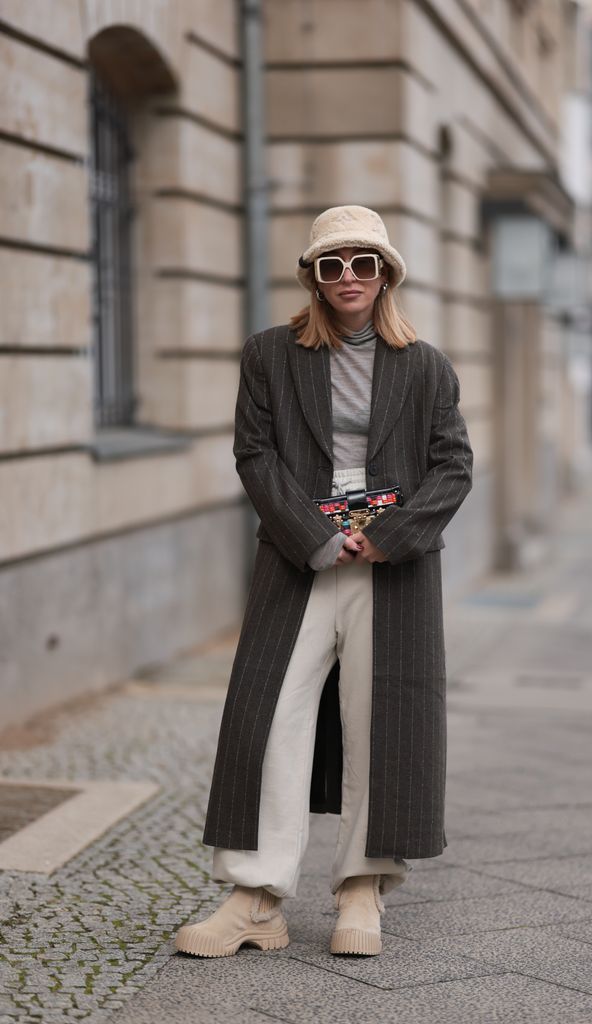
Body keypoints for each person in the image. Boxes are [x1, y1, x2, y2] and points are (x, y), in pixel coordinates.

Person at [174, 205, 473, 959]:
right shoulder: (271, 354)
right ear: (312, 276)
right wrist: (315, 535)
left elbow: (452, 466)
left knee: (384, 722)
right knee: (269, 716)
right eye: (332, 264)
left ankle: (361, 890)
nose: (348, 278)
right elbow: (254, 455)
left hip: (392, 571)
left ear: (385, 274)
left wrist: (389, 536)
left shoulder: (426, 365)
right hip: (298, 560)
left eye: (363, 263)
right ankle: (254, 898)